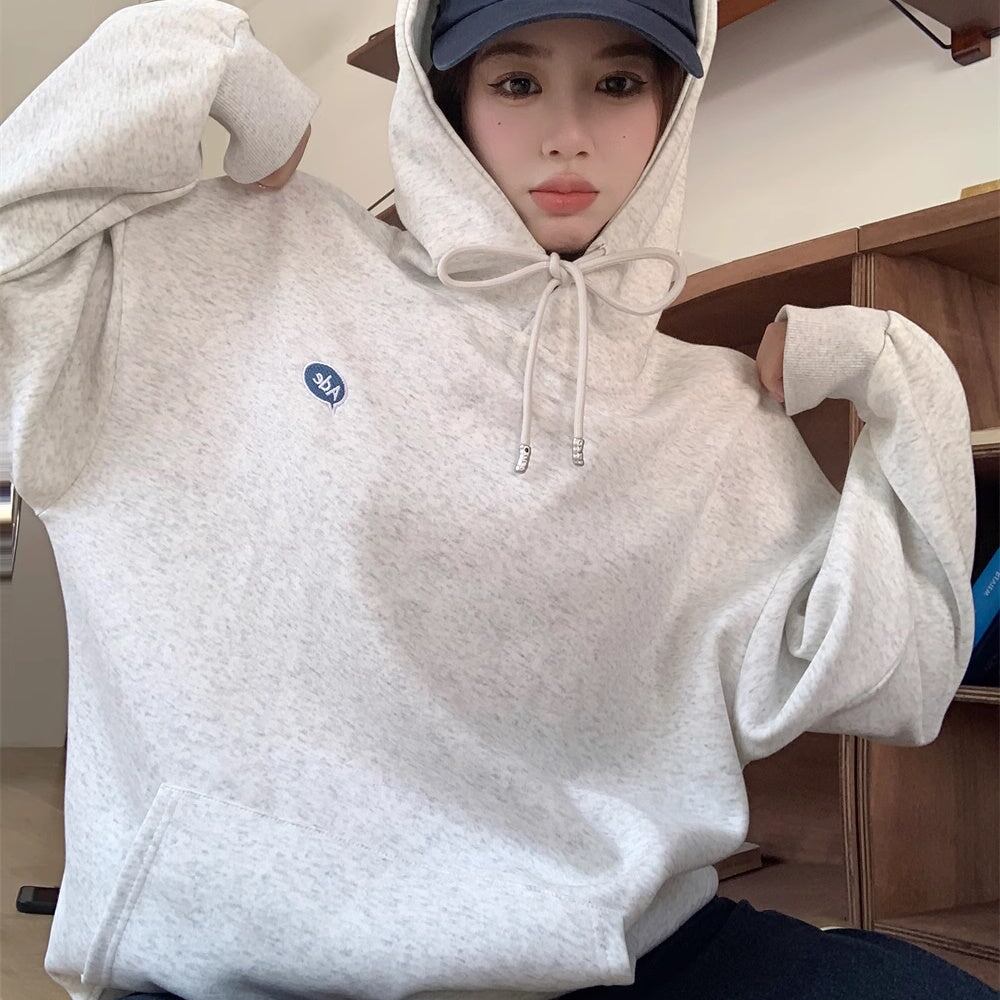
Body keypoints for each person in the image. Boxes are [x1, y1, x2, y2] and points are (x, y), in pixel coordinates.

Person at [1, 1, 991, 998]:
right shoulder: (258, 263)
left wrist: (898, 371)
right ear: (449, 100)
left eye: (616, 83)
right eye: (517, 82)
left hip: (626, 954)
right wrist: (185, 45)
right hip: (253, 968)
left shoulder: (711, 414)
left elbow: (898, 679)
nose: (568, 133)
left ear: (668, 104)